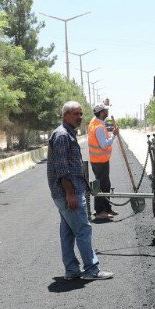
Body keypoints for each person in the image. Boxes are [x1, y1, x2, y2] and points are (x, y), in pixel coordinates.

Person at [48, 101, 113, 281]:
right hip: (68, 193)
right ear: (66, 115)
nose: (79, 117)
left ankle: (71, 270)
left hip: (69, 192)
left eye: (80, 114)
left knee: (68, 233)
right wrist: (70, 193)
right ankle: (91, 269)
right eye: (75, 114)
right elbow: (62, 168)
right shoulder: (62, 136)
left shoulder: (67, 134)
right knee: (83, 230)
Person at [88, 103, 118, 220]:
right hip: (99, 161)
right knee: (101, 186)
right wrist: (113, 135)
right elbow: (104, 144)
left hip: (100, 160)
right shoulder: (99, 127)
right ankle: (100, 211)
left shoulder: (95, 122)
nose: (107, 113)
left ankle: (107, 209)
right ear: (101, 113)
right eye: (105, 111)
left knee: (105, 185)